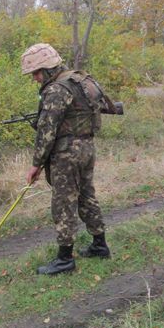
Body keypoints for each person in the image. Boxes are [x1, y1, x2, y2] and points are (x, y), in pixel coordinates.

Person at [21, 43, 110, 275]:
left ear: (48, 69)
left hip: (67, 153)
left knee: (63, 202)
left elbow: (46, 131)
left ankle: (64, 259)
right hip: (87, 147)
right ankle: (100, 245)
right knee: (86, 195)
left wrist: (36, 164)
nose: (35, 79)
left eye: (37, 73)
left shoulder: (57, 89)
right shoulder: (81, 80)